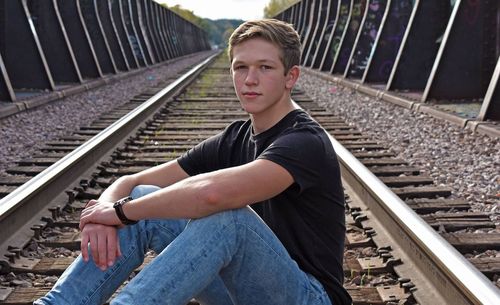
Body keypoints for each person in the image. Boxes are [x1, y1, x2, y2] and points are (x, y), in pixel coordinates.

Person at [35, 19, 352, 305]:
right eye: (241, 67)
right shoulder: (236, 137)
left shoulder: (304, 141)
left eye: (265, 68)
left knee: (231, 219)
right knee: (145, 198)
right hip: (242, 292)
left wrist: (120, 212)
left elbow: (211, 195)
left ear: (290, 76)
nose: (250, 80)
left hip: (309, 296)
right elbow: (130, 183)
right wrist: (101, 215)